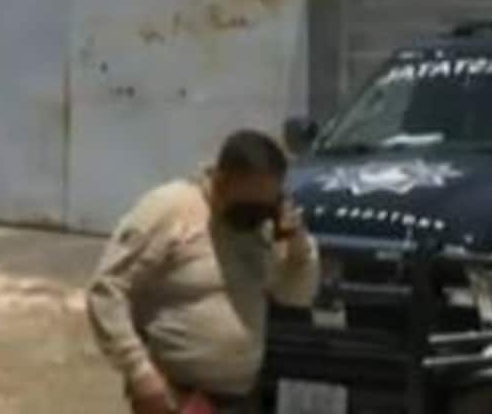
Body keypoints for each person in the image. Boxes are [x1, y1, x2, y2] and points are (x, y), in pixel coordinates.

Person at [86, 129, 320, 414]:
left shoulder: (262, 227)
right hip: (175, 397)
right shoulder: (171, 209)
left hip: (241, 397)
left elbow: (296, 296)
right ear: (221, 181)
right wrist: (139, 372)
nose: (256, 214)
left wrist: (298, 247)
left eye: (266, 203)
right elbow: (107, 289)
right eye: (249, 204)